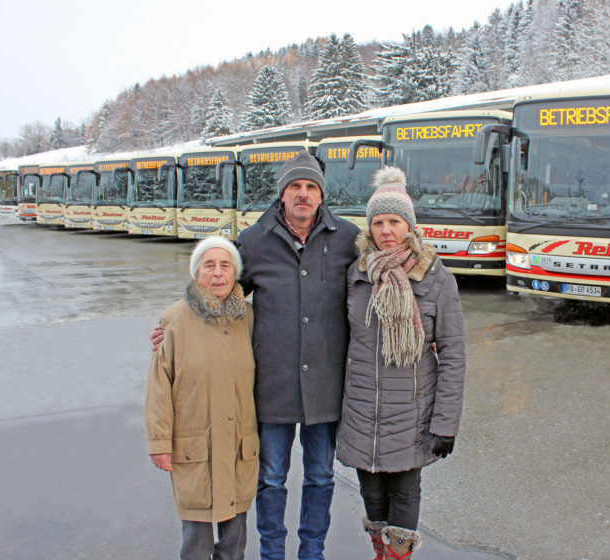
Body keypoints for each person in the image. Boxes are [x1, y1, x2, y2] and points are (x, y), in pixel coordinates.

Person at [153, 150, 360, 560]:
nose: (303, 194)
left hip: (325, 386)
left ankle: (312, 553)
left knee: (321, 478)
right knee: (270, 478)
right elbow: (218, 292)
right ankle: (272, 554)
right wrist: (177, 325)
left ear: (321, 194)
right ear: (282, 193)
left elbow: (374, 292)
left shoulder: (347, 240)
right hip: (271, 387)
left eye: (311, 187)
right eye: (295, 186)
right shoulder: (253, 241)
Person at [336, 167, 466, 560]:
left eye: (394, 221)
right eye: (378, 222)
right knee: (372, 494)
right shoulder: (357, 275)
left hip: (411, 412)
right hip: (361, 410)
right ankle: (382, 553)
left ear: (409, 225)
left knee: (405, 494)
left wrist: (445, 423)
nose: (386, 230)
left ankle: (397, 557)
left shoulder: (436, 278)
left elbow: (453, 354)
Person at [145, 236, 258, 560]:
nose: (218, 273)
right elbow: (159, 387)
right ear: (197, 273)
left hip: (239, 444)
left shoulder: (249, 318)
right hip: (195, 447)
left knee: (235, 539)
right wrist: (159, 443)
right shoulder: (175, 319)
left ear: (235, 273)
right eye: (209, 266)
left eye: (225, 266)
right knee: (196, 542)